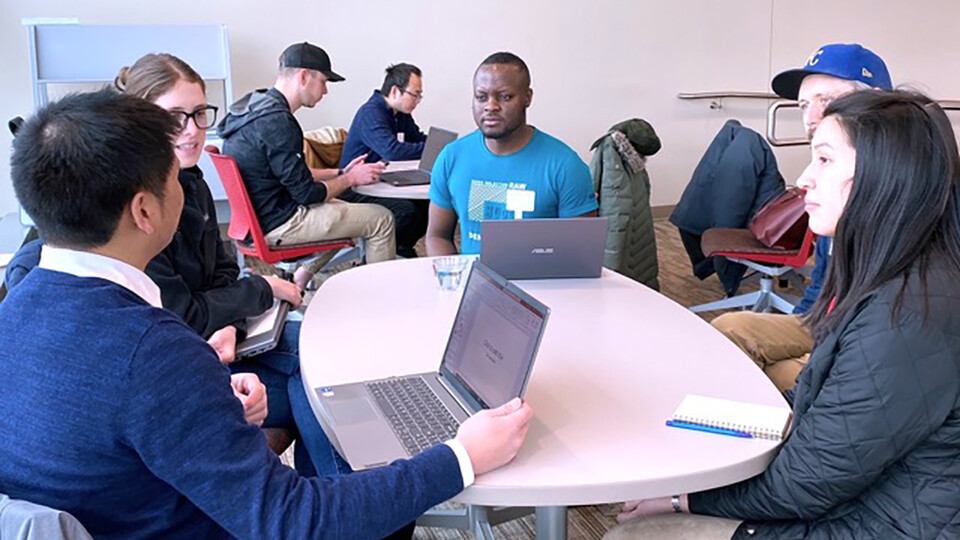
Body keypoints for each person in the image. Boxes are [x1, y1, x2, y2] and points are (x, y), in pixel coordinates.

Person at [0, 89, 534, 539]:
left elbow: (100, 424)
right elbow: (290, 521)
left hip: (123, 510)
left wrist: (205, 397)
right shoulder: (151, 352)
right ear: (144, 210)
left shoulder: (18, 305)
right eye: (173, 182)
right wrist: (461, 456)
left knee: (319, 402)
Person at [606, 90, 960, 539]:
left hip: (880, 523)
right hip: (863, 501)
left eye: (825, 161)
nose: (804, 180)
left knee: (635, 535)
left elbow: (807, 484)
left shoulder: (906, 315)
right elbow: (826, 409)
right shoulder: (897, 270)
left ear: (884, 175)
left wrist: (684, 499)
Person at [115, 52, 345, 476]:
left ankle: (325, 500)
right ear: (139, 121)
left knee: (323, 352)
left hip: (218, 339)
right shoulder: (137, 210)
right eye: (174, 118)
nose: (192, 130)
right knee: (315, 382)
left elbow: (221, 272)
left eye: (200, 114)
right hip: (185, 360)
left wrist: (231, 321)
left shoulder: (192, 183)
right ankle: (329, 502)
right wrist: (261, 291)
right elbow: (182, 314)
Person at [710, 43, 892, 392]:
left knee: (781, 375)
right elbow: (824, 282)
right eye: (804, 105)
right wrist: (797, 331)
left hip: (866, 339)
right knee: (728, 331)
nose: (810, 118)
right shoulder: (830, 189)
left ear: (879, 103)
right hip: (824, 319)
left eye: (825, 100)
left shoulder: (913, 195)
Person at [218, 42, 395, 289]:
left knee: (344, 208)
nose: (325, 91)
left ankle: (301, 278)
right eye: (324, 81)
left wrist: (340, 172)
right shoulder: (278, 121)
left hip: (259, 219)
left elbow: (290, 175)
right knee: (381, 219)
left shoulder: (252, 109)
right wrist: (351, 179)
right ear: (303, 76)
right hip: (280, 223)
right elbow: (307, 194)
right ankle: (383, 300)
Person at [425, 52, 598, 256]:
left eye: (505, 97)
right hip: (472, 285)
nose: (491, 106)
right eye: (481, 97)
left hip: (540, 286)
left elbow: (580, 255)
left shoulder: (566, 166)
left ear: (527, 98)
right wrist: (455, 282)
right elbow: (437, 236)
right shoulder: (451, 157)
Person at [339, 63, 430, 258]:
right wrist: (431, 149)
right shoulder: (371, 113)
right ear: (396, 91)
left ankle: (399, 248)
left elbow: (417, 138)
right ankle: (377, 253)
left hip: (380, 181)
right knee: (406, 211)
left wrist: (437, 146)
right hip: (354, 188)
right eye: (415, 94)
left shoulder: (401, 115)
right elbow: (393, 151)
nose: (418, 100)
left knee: (432, 204)